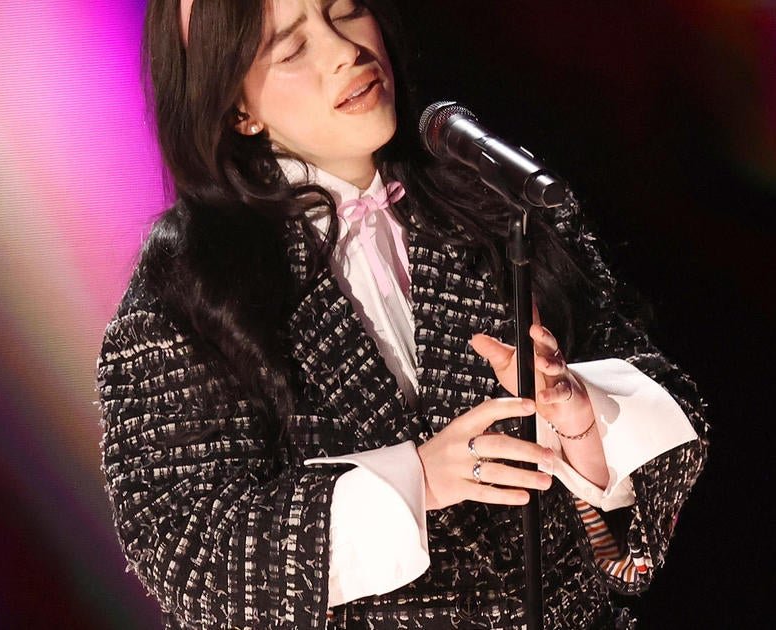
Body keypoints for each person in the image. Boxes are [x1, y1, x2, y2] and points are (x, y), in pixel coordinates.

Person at [97, 0, 708, 627]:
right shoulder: (192, 288)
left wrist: (580, 415)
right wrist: (417, 478)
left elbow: (674, 409)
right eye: (293, 49)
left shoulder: (496, 206)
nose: (346, 52)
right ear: (238, 109)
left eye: (345, 11)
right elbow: (184, 550)